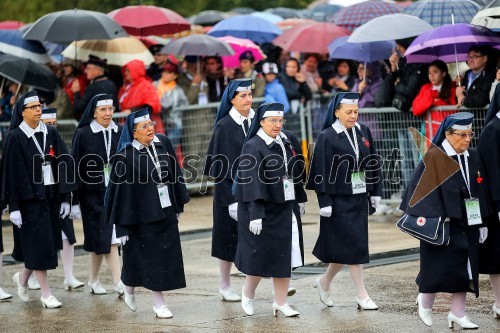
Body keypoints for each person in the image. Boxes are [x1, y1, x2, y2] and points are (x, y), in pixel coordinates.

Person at [400, 112, 490, 329]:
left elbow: (479, 188)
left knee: (465, 268)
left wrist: (482, 220)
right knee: (435, 268)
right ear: (448, 135)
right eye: (462, 135)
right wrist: (439, 214)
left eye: (470, 134)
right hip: (442, 224)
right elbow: (418, 193)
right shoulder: (435, 157)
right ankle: (425, 303)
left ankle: (458, 313)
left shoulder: (473, 156)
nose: (467, 139)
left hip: (468, 222)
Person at [105, 107, 190, 318]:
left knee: (158, 259)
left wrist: (177, 204)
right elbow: (119, 195)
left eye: (151, 124)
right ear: (133, 132)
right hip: (140, 218)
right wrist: (121, 226)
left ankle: (137, 291)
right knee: (147, 259)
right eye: (144, 126)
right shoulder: (125, 157)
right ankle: (155, 301)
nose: (150, 128)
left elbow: (175, 176)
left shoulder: (163, 143)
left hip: (166, 212)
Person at [306, 92, 383, 311]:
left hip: (359, 197)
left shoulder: (363, 131)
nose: (353, 116)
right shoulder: (327, 136)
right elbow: (319, 170)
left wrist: (376, 191)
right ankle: (362, 294)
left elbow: (373, 162)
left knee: (349, 247)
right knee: (353, 247)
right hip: (338, 200)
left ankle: (324, 282)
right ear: (337, 112)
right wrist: (325, 202)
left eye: (356, 112)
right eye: (348, 112)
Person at [1, 91, 77, 308]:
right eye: (33, 107)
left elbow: (64, 162)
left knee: (45, 245)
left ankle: (23, 278)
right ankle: (46, 294)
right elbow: (11, 173)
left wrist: (65, 197)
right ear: (22, 112)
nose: (38, 109)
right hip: (28, 202)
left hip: (50, 198)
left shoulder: (50, 132)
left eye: (39, 106)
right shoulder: (15, 137)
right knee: (39, 245)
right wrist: (13, 206)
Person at [234, 102, 305, 317]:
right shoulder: (253, 146)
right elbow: (251, 182)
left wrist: (300, 198)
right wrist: (255, 213)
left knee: (285, 256)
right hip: (262, 209)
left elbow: (296, 171)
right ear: (261, 122)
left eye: (280, 120)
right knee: (259, 256)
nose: (277, 125)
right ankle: (247, 293)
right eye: (272, 121)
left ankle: (280, 302)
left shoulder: (287, 140)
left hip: (286, 206)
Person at [204, 79, 255, 302]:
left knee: (255, 238)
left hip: (255, 189)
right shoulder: (224, 126)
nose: (248, 99)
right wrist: (231, 200)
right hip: (229, 193)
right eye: (242, 96)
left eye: (250, 94)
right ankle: (225, 285)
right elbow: (220, 169)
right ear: (232, 99)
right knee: (227, 238)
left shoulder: (257, 121)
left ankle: (254, 285)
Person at [71, 94, 124, 296]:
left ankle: (93, 280)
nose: (108, 113)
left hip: (115, 194)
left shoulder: (119, 131)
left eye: (110, 109)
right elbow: (74, 166)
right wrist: (74, 200)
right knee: (110, 237)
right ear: (94, 112)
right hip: (91, 196)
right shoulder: (83, 133)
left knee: (100, 240)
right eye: (103, 110)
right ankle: (120, 282)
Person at [40, 108, 84, 291]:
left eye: (54, 123)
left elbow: (67, 169)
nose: (52, 127)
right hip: (40, 197)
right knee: (42, 239)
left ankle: (69, 275)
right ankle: (31, 277)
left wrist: (69, 199)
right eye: (47, 123)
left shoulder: (57, 142)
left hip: (58, 196)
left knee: (67, 236)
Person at [478, 84, 500, 320]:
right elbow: (492, 173)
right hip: (496, 206)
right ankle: (499, 302)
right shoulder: (492, 130)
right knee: (497, 257)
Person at [375, 37, 428, 112]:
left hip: (413, 114)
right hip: (400, 114)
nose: (397, 48)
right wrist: (393, 71)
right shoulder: (401, 64)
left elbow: (410, 90)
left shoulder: (419, 66)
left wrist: (397, 84)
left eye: (399, 46)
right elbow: (382, 98)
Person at [412, 60, 458, 140]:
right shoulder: (426, 88)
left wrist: (436, 101)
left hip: (450, 131)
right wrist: (431, 98)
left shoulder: (453, 89)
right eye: (429, 73)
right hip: (432, 131)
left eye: (435, 72)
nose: (431, 76)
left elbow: (453, 109)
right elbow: (416, 110)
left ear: (443, 73)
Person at [118, 59, 163, 133]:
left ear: (136, 70)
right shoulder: (126, 87)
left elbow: (152, 106)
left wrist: (131, 111)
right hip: (131, 125)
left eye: (128, 70)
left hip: (145, 126)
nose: (126, 73)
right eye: (125, 70)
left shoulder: (146, 85)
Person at [154, 62, 188, 153]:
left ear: (175, 76)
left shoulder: (177, 90)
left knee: (169, 152)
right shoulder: (155, 85)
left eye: (169, 72)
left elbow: (167, 104)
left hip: (173, 124)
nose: (165, 74)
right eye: (164, 71)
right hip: (156, 124)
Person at [72, 55, 118, 120]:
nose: (85, 71)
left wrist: (76, 92)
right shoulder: (112, 84)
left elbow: (79, 108)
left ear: (97, 70)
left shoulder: (93, 87)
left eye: (88, 68)